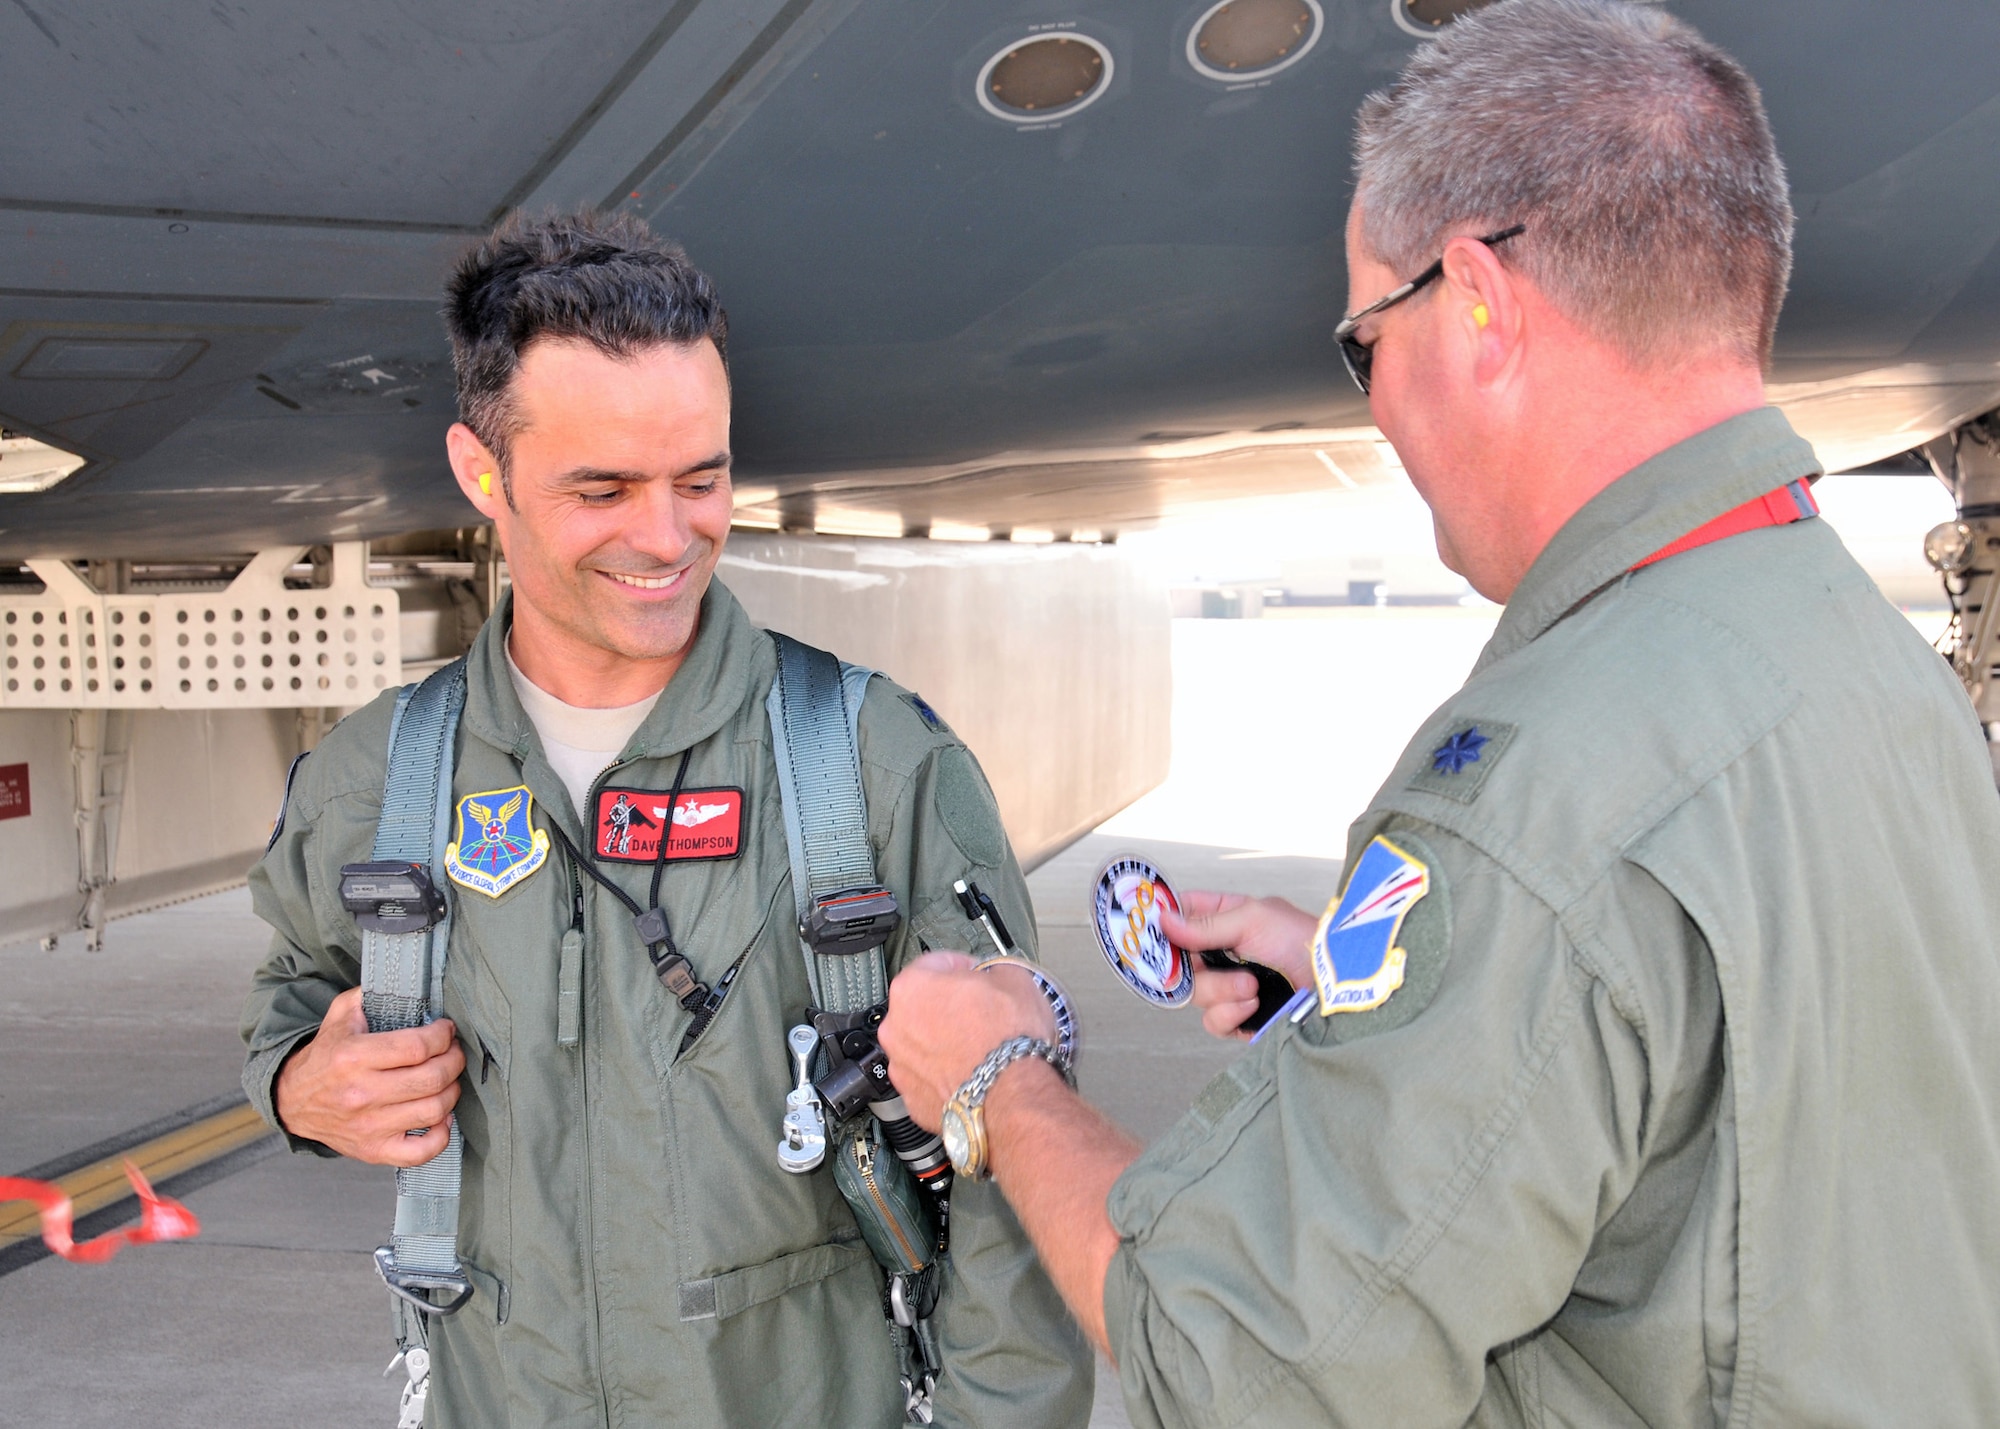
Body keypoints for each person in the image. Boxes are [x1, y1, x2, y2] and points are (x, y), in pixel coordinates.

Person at [878, 1, 2000, 1424]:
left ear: (1475, 301)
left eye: (1366, 343)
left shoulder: (1540, 800)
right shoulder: (1867, 660)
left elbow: (1234, 1363)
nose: (1378, 407)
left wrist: (995, 1080)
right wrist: (1382, 996)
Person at [239, 211, 1091, 1427]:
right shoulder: (380, 776)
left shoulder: (869, 763)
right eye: (602, 488)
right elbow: (289, 991)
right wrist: (297, 1088)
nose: (666, 535)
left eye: (702, 478)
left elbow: (1010, 1168)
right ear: (483, 475)